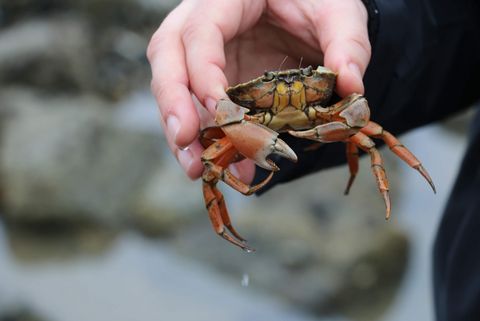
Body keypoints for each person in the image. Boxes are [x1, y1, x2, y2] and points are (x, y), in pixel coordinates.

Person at [147, 1, 480, 320]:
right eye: (271, 87)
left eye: (300, 82)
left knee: (374, 141)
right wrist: (369, 21)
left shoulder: (328, 106)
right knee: (209, 166)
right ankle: (225, 228)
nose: (286, 91)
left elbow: (360, 116)